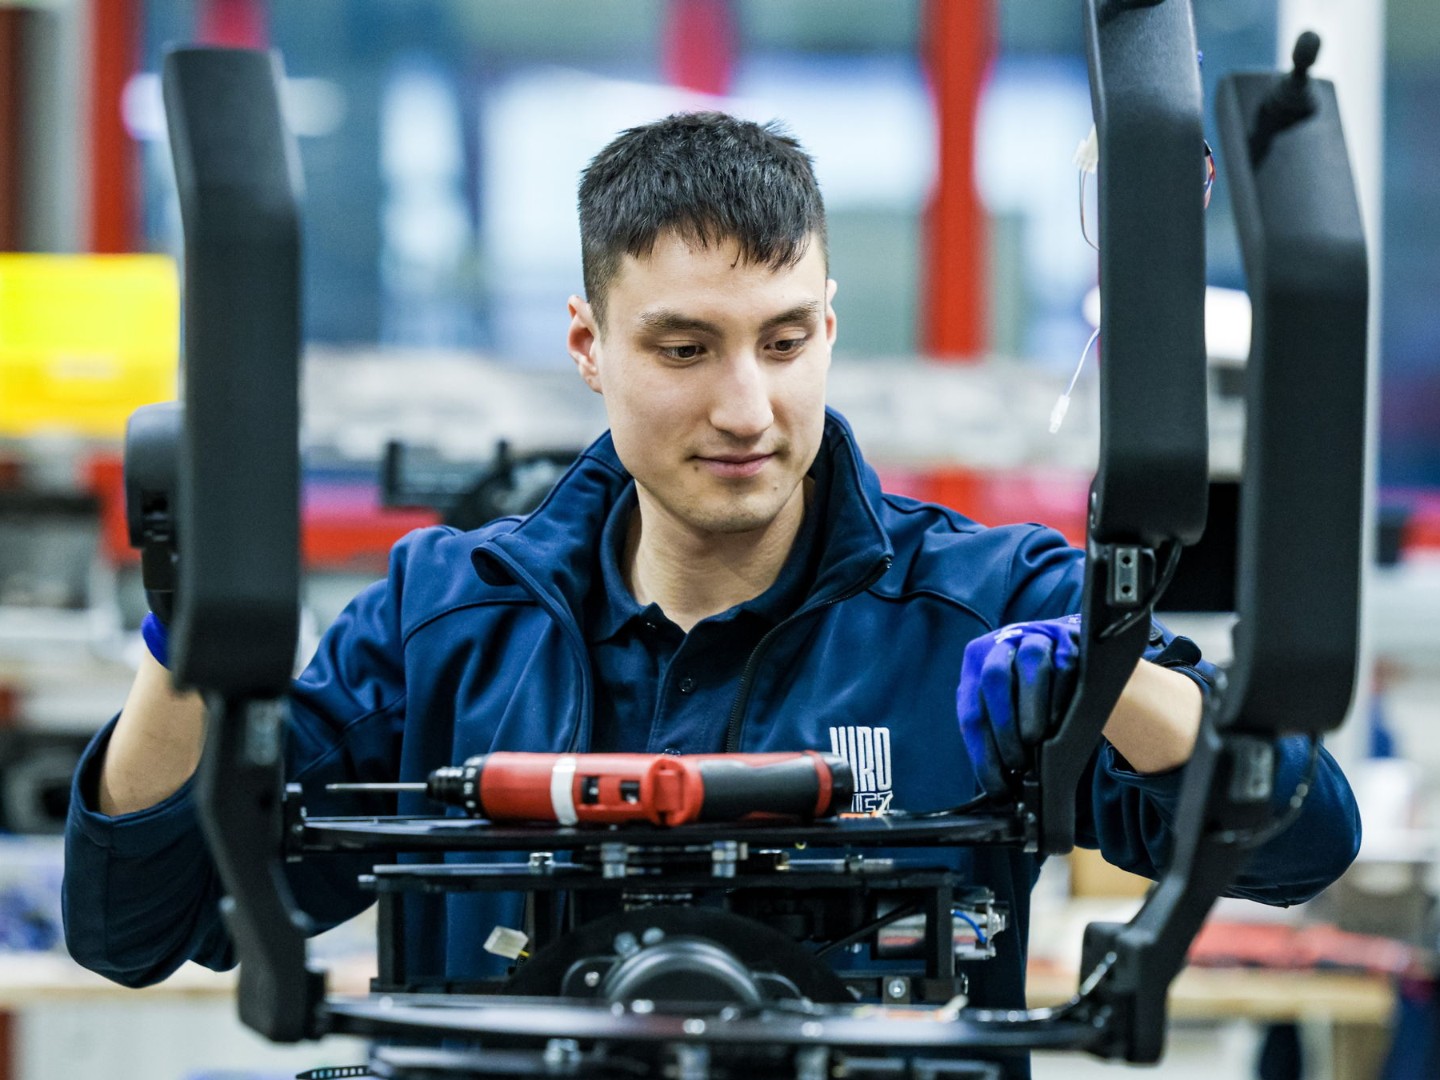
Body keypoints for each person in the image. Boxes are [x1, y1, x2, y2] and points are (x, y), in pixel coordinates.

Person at [64, 112, 1359, 1059]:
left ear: (830, 328)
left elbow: (1306, 842)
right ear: (589, 344)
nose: (748, 408)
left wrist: (1116, 686)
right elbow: (140, 925)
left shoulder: (987, 604)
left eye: (785, 342)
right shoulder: (441, 621)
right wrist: (194, 643)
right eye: (685, 348)